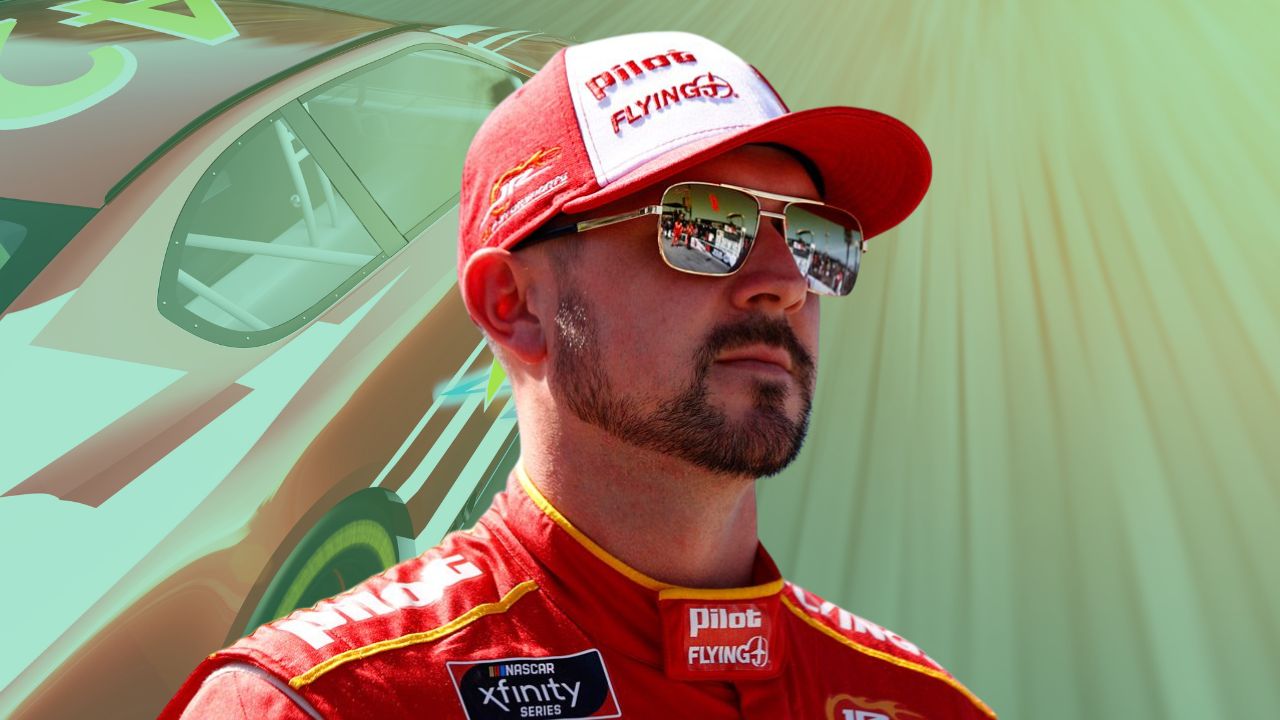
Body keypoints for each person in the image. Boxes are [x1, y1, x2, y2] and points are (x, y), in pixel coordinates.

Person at [161, 31, 996, 719]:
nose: (783, 279)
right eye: (704, 224)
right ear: (514, 306)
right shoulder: (319, 701)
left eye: (817, 238)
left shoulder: (924, 704)